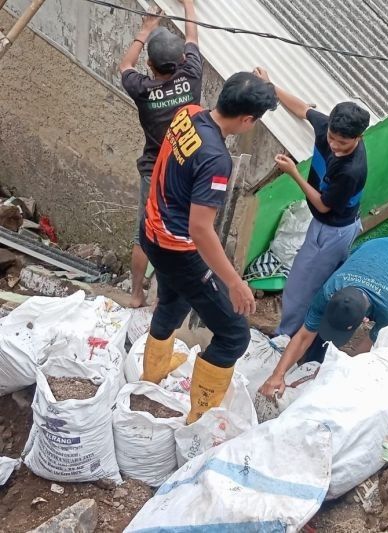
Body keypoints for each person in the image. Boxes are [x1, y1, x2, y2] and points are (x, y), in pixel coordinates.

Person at [140, 72, 278, 423]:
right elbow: (200, 230)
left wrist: (260, 84)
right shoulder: (216, 160)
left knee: (173, 299)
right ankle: (200, 414)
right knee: (234, 334)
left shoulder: (188, 113)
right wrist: (234, 281)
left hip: (152, 232)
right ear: (247, 120)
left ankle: (152, 374)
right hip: (177, 248)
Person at [252, 67, 370, 339]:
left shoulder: (351, 170)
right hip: (334, 224)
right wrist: (271, 86)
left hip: (333, 229)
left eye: (343, 143)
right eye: (332, 138)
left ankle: (286, 336)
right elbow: (302, 109)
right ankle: (311, 331)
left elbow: (324, 205)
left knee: (300, 284)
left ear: (358, 138)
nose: (335, 146)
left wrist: (293, 173)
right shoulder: (327, 127)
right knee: (318, 281)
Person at [259, 237, 388, 399]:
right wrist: (277, 375)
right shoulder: (329, 291)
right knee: (317, 339)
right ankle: (314, 361)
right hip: (373, 248)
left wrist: (334, 373)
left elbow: (366, 349)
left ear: (364, 319)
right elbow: (304, 336)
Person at [119, 0, 202, 308]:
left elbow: (124, 66)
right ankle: (164, 298)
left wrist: (144, 30)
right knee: (177, 232)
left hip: (153, 170)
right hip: (184, 170)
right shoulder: (191, 77)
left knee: (145, 233)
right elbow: (193, 38)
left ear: (150, 66)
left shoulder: (141, 88)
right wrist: (189, 8)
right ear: (181, 60)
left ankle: (137, 293)